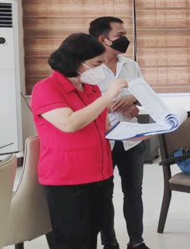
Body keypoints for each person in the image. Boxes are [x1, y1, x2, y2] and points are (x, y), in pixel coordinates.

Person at [30, 33, 128, 249]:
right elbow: (69, 123)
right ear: (76, 62)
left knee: (91, 235)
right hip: (67, 179)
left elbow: (102, 126)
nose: (102, 69)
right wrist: (106, 98)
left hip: (99, 173)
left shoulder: (89, 87)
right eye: (96, 64)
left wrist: (133, 132)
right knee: (72, 240)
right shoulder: (46, 88)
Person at [89, 16, 150, 249]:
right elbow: (85, 106)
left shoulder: (130, 65)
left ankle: (137, 241)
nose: (126, 39)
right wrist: (109, 104)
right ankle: (109, 243)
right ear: (103, 39)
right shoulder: (89, 69)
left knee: (134, 192)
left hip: (132, 140)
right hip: (103, 141)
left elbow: (143, 92)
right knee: (104, 195)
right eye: (120, 35)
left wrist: (133, 100)